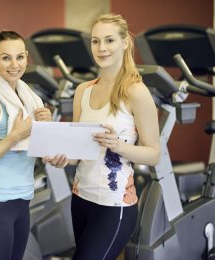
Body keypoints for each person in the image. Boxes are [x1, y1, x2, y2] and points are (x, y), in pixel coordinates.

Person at [45, 13, 160, 259]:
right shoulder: (82, 91)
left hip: (114, 204)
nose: (102, 48)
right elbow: (77, 154)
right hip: (80, 199)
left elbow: (154, 154)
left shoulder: (135, 92)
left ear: (124, 43)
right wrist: (61, 157)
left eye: (109, 40)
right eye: (96, 41)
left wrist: (118, 145)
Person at [0, 30, 65, 260]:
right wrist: (13, 137)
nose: (14, 65)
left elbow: (39, 149)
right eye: (6, 57)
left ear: (26, 57)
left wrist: (46, 130)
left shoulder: (31, 98)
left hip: (22, 200)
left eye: (20, 57)